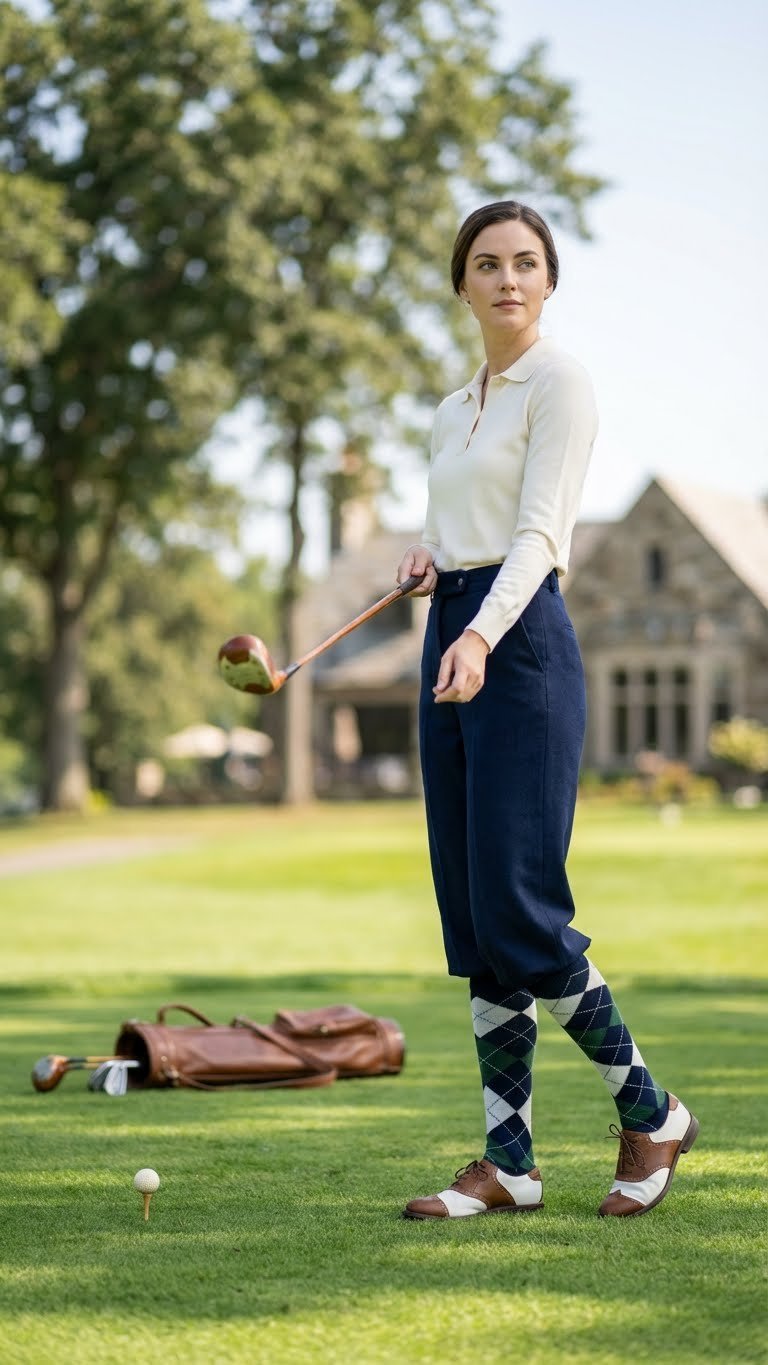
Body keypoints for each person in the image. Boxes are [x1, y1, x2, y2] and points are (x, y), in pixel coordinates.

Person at [396, 200, 698, 1220]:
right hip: (456, 634)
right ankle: (511, 1161)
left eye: (527, 263)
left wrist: (481, 633)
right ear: (462, 283)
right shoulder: (449, 409)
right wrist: (429, 564)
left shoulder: (562, 383)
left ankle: (651, 1109)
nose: (508, 280)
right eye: (487, 264)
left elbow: (536, 535)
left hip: (519, 645)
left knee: (523, 911)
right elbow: (465, 530)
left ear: (550, 281)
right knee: (478, 923)